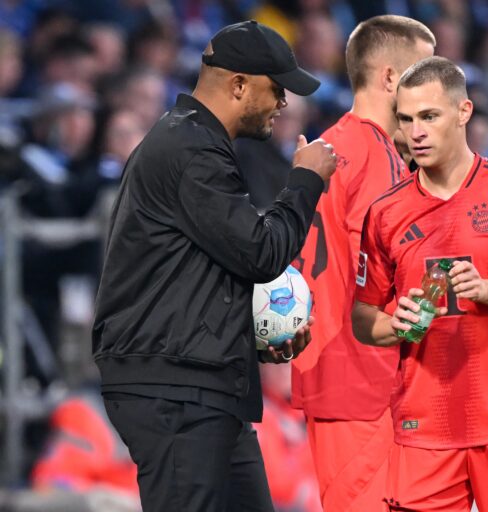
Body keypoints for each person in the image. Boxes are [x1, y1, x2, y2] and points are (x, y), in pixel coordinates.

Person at [91, 21, 337, 512]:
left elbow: (198, 273)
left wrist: (256, 337)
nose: (283, 102)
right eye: (277, 88)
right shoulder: (191, 149)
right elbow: (262, 253)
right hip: (174, 389)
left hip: (200, 381)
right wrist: (305, 181)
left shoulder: (192, 141)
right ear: (239, 85)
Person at [352, 56, 488, 511]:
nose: (416, 132)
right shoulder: (385, 213)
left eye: (429, 116)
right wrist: (395, 324)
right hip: (424, 431)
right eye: (406, 119)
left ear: (463, 112)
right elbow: (362, 317)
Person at [290, 15, 435, 511]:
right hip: (363, 378)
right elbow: (385, 277)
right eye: (422, 73)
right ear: (390, 78)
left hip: (344, 375)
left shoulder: (336, 146)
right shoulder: (373, 158)